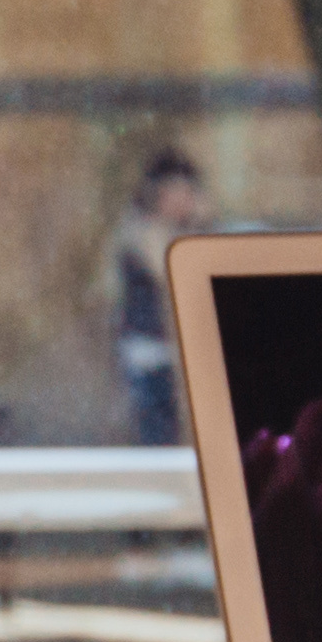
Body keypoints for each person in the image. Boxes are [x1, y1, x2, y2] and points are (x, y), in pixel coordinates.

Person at [106, 149, 210, 441]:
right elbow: (168, 273)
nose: (182, 201)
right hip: (149, 353)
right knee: (157, 435)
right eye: (175, 193)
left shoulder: (185, 232)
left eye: (188, 193)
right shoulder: (142, 232)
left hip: (178, 354)